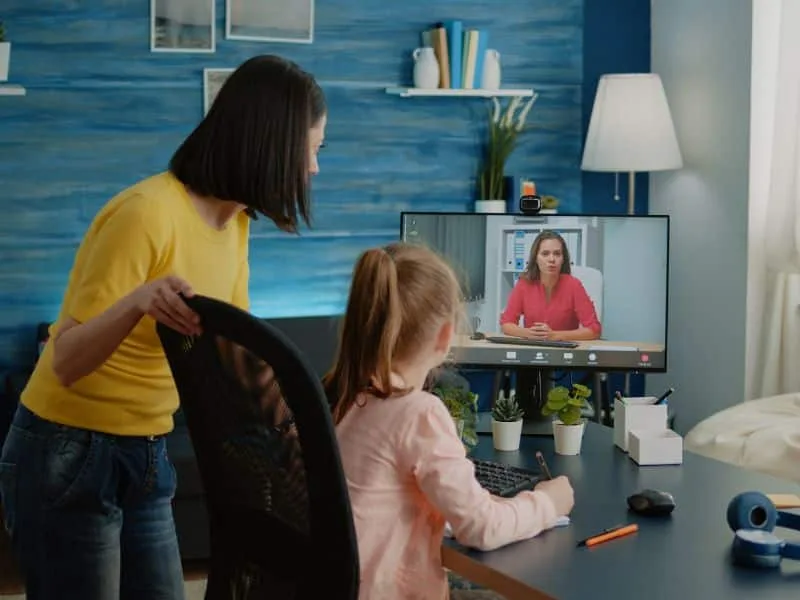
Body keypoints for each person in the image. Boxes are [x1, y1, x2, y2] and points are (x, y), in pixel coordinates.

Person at [0, 55, 326, 600]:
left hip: (147, 449)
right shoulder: (146, 213)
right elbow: (66, 361)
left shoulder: (235, 223)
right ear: (272, 143)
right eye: (313, 150)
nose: (315, 169)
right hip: (70, 447)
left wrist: (319, 414)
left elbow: (236, 356)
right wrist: (137, 303)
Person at [324, 243, 575, 600]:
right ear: (445, 336)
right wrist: (549, 503)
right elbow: (481, 528)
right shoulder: (418, 413)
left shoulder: (347, 398)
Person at [500, 230, 601, 341]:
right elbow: (506, 323)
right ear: (536, 258)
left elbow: (594, 330)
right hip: (533, 348)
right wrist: (527, 333)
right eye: (545, 254)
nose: (552, 259)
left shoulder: (573, 285)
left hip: (564, 351)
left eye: (557, 254)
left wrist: (555, 335)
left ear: (563, 259)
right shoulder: (524, 284)